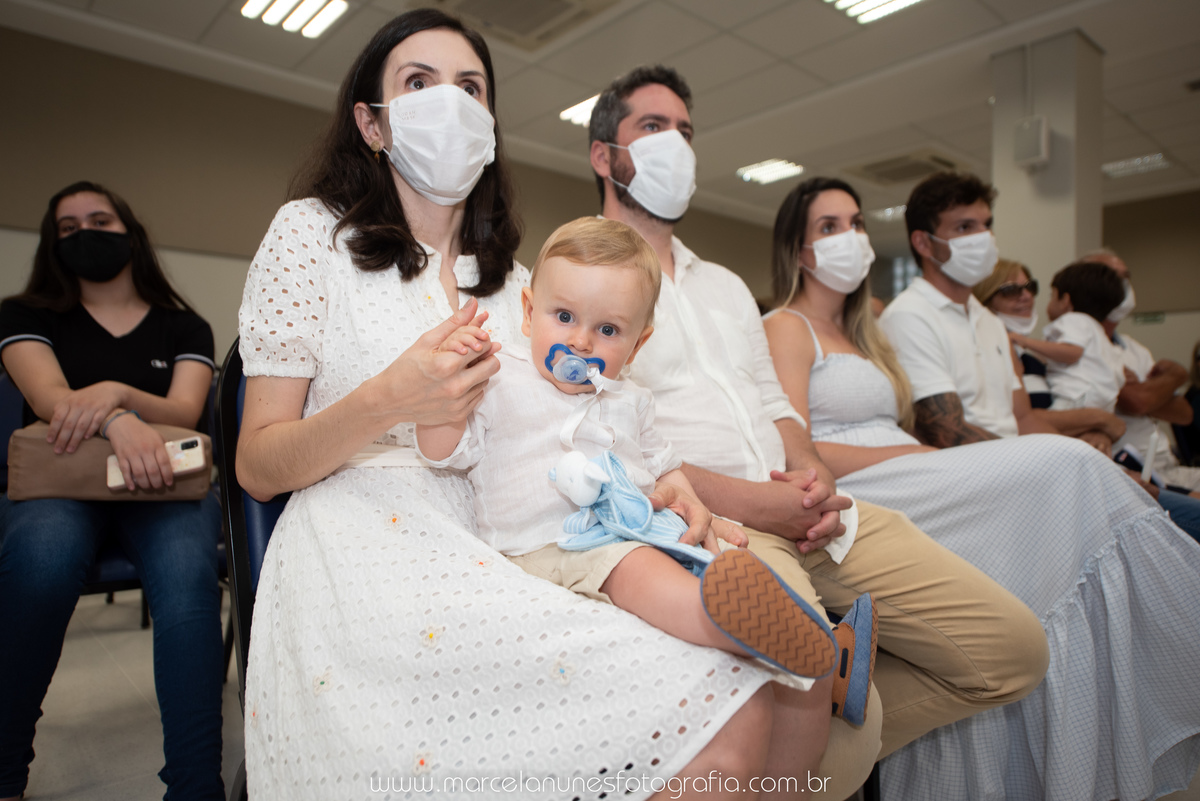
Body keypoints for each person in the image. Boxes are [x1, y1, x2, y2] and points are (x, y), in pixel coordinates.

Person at [235, 12, 879, 800]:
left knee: (745, 696)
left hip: (517, 531)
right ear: (371, 122)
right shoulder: (309, 238)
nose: (450, 103)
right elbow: (258, 465)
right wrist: (385, 400)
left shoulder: (517, 284)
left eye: (470, 87)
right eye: (418, 82)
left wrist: (662, 484)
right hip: (366, 547)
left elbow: (581, 420)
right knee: (721, 718)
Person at [589, 64, 1050, 767]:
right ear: (603, 155)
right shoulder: (578, 274)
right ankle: (818, 730)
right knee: (846, 740)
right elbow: (608, 442)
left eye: (685, 130)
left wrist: (813, 482)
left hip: (815, 510)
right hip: (724, 525)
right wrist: (765, 505)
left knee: (1014, 651)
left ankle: (827, 712)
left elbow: (775, 404)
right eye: (652, 128)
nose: (675, 144)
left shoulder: (724, 286)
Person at [763, 175, 1200, 799]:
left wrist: (915, 451)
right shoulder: (786, 326)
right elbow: (797, 446)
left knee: (1061, 506)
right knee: (1064, 465)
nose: (851, 238)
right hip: (866, 480)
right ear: (799, 251)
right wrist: (910, 451)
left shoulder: (867, 335)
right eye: (829, 228)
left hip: (911, 467)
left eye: (857, 223)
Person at [414, 217, 877, 734]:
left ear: (637, 345)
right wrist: (444, 405)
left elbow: (666, 467)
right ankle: (735, 630)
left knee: (714, 554)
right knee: (637, 568)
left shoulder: (631, 399)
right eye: (564, 316)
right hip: (554, 545)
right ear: (527, 313)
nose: (583, 341)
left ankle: (811, 639)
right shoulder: (500, 381)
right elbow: (442, 453)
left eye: (608, 330)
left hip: (636, 528)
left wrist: (690, 503)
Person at [0, 182, 224, 800]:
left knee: (188, 584)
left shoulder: (186, 325)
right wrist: (119, 421)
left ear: (131, 232)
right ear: (52, 243)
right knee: (41, 565)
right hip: (60, 483)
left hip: (166, 487)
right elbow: (50, 401)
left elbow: (186, 409)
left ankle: (194, 785)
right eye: (68, 227)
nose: (85, 233)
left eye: (100, 220)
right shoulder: (25, 315)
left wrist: (116, 394)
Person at [975, 259, 1127, 454]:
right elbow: (1015, 421)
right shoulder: (985, 351)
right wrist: (1100, 420)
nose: (1027, 296)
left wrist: (1098, 433)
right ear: (985, 298)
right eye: (1011, 290)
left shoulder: (1034, 358)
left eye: (1031, 287)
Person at [1085, 248, 1200, 491]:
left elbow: (1183, 413)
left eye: (1126, 276)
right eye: (1112, 277)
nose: (1123, 285)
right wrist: (1175, 377)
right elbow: (1137, 402)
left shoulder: (1134, 348)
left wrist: (1169, 377)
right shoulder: (1080, 345)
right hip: (1133, 473)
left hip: (1168, 463)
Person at [1038, 261, 1127, 412]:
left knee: (1045, 429)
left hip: (1075, 397)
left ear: (1065, 301)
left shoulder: (1074, 319)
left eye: (1051, 295)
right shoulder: (1098, 331)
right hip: (1101, 402)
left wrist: (1024, 341)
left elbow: (1072, 353)